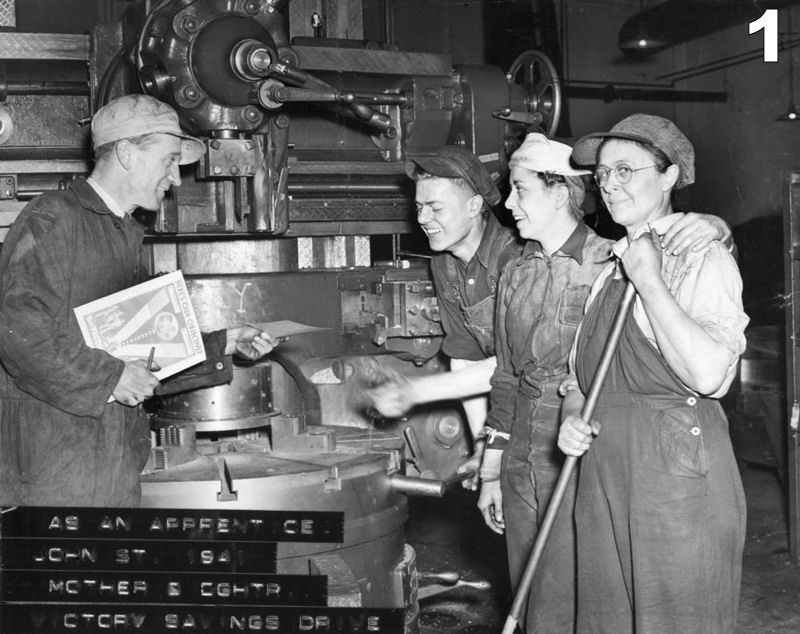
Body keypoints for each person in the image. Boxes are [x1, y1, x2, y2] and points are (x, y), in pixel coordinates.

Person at [0, 94, 278, 509]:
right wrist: (111, 377)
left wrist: (222, 345)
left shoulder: (121, 233)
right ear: (128, 154)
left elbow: (136, 356)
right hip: (51, 479)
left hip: (108, 469)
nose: (177, 179)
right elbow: (18, 333)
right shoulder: (54, 219)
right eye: (168, 160)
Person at [558, 113, 748, 633]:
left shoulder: (698, 255)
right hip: (604, 477)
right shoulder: (609, 267)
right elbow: (580, 378)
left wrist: (651, 280)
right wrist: (573, 415)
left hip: (675, 483)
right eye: (602, 175)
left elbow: (711, 376)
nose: (609, 184)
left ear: (668, 177)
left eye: (625, 169)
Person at [474, 132, 612, 633]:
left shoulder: (610, 264)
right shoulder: (516, 272)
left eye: (519, 189)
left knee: (580, 589)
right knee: (527, 591)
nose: (508, 205)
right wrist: (493, 468)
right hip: (522, 449)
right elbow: (506, 376)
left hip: (581, 441)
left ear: (559, 193)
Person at [369, 146, 524, 483]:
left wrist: (416, 392)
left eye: (436, 208)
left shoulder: (515, 260)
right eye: (420, 207)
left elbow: (514, 365)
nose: (423, 219)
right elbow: (466, 358)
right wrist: (481, 445)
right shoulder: (445, 263)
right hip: (506, 415)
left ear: (474, 206)